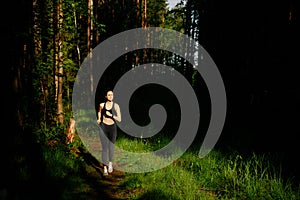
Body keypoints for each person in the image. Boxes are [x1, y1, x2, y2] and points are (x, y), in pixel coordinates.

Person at [97, 90, 121, 176]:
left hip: (112, 128)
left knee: (111, 147)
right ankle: (105, 168)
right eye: (109, 95)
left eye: (112, 95)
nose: (111, 96)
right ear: (106, 96)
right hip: (103, 127)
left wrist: (112, 116)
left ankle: (110, 163)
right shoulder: (102, 105)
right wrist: (99, 119)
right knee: (104, 148)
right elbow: (99, 111)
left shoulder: (116, 106)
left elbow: (119, 119)